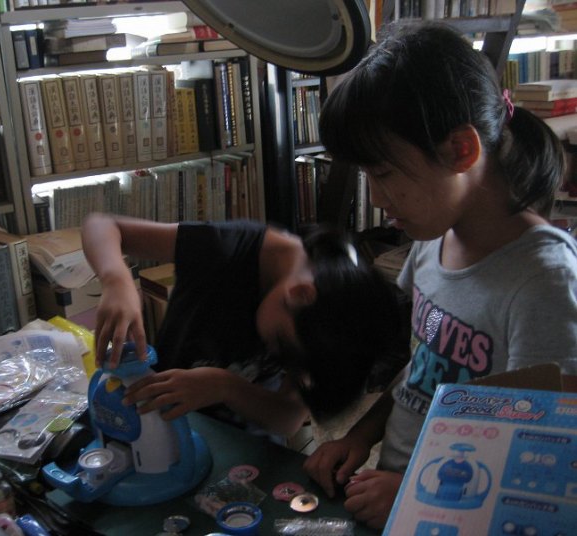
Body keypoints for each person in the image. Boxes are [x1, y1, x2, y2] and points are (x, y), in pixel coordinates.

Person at [303, 20, 577, 529]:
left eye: (383, 173)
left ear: (461, 150)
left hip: (458, 510)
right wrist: (361, 435)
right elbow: (424, 371)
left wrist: (418, 493)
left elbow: (544, 469)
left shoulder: (544, 284)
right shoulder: (432, 241)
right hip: (399, 497)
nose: (376, 197)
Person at [81, 214, 405, 439]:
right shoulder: (230, 248)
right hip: (171, 421)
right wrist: (116, 279)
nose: (276, 354)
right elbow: (103, 225)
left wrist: (226, 387)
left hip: (246, 447)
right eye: (280, 344)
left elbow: (288, 419)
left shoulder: (333, 323)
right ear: (298, 294)